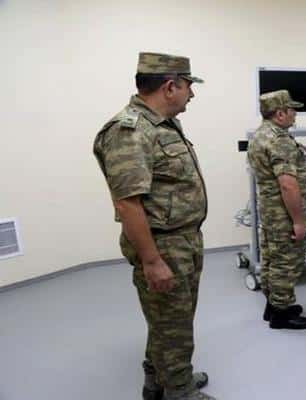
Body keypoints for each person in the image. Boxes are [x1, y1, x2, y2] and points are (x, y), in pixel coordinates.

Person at [93, 52, 215, 400]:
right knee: (174, 325)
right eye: (189, 86)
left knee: (168, 319)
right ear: (170, 86)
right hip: (163, 245)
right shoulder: (130, 130)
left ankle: (157, 380)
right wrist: (152, 260)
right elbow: (127, 203)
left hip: (183, 240)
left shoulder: (163, 124)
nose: (192, 94)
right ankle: (179, 390)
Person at [247, 90, 306, 330]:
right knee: (286, 263)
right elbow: (288, 185)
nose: (295, 114)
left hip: (270, 211)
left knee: (272, 259)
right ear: (280, 114)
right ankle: (281, 315)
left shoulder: (260, 135)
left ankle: (274, 305)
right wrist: (298, 221)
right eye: (292, 110)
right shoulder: (280, 140)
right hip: (284, 214)